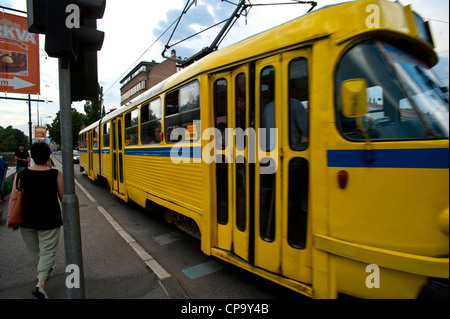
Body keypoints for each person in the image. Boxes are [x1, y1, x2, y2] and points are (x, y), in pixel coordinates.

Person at [7, 142, 64, 299]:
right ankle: (41, 283)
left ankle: (42, 275)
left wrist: (10, 218)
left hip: (27, 220)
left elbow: (13, 197)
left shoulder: (21, 174)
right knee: (47, 251)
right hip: (50, 219)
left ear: (31, 156)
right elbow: (62, 196)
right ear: (48, 156)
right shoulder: (55, 174)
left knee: (34, 252)